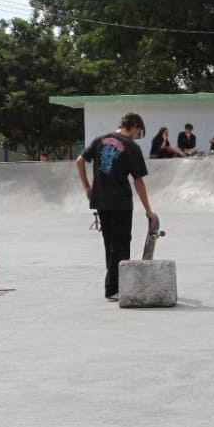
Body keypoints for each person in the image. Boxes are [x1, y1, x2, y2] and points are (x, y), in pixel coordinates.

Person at [76, 112, 156, 301]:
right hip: (120, 202)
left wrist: (87, 187)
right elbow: (138, 182)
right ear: (134, 126)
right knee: (120, 245)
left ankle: (113, 285)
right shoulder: (131, 147)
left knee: (110, 244)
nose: (137, 137)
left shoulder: (100, 140)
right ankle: (113, 288)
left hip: (101, 200)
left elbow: (80, 161)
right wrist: (148, 210)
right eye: (138, 133)